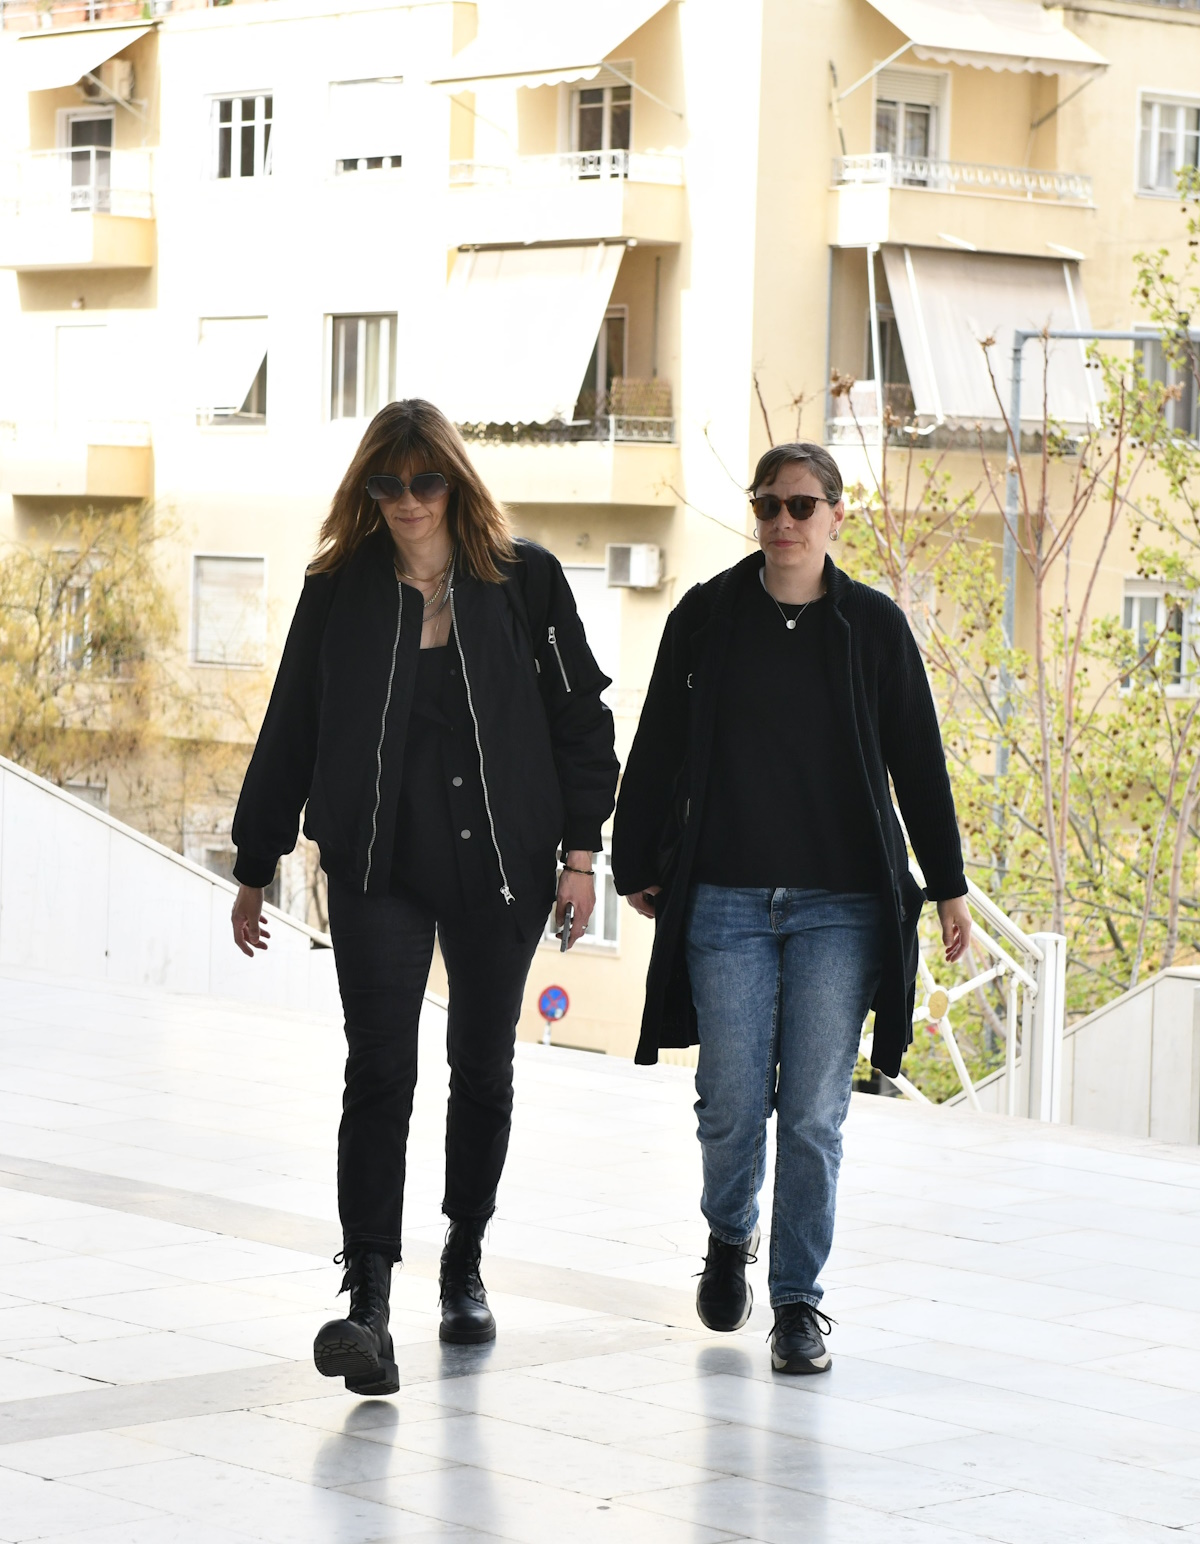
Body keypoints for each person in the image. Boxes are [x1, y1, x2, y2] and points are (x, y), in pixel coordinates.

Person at [229, 398, 618, 1396]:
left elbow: (581, 718)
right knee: (380, 1070)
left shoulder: (525, 580)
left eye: (425, 482)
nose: (407, 502)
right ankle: (366, 1298)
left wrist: (581, 855)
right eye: (387, 485)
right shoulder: (338, 592)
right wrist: (255, 861)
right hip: (379, 867)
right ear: (368, 491)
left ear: (455, 482)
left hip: (501, 869)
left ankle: (464, 1261)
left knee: (481, 1068)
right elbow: (291, 724)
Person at [611, 441, 971, 1375]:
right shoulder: (706, 618)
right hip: (724, 901)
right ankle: (730, 1232)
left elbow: (919, 761)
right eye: (768, 504)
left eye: (802, 506)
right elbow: (658, 742)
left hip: (842, 910)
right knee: (731, 1102)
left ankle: (798, 1302)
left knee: (813, 1113)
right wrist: (633, 856)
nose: (783, 521)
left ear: (836, 516)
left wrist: (949, 886)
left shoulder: (873, 628)